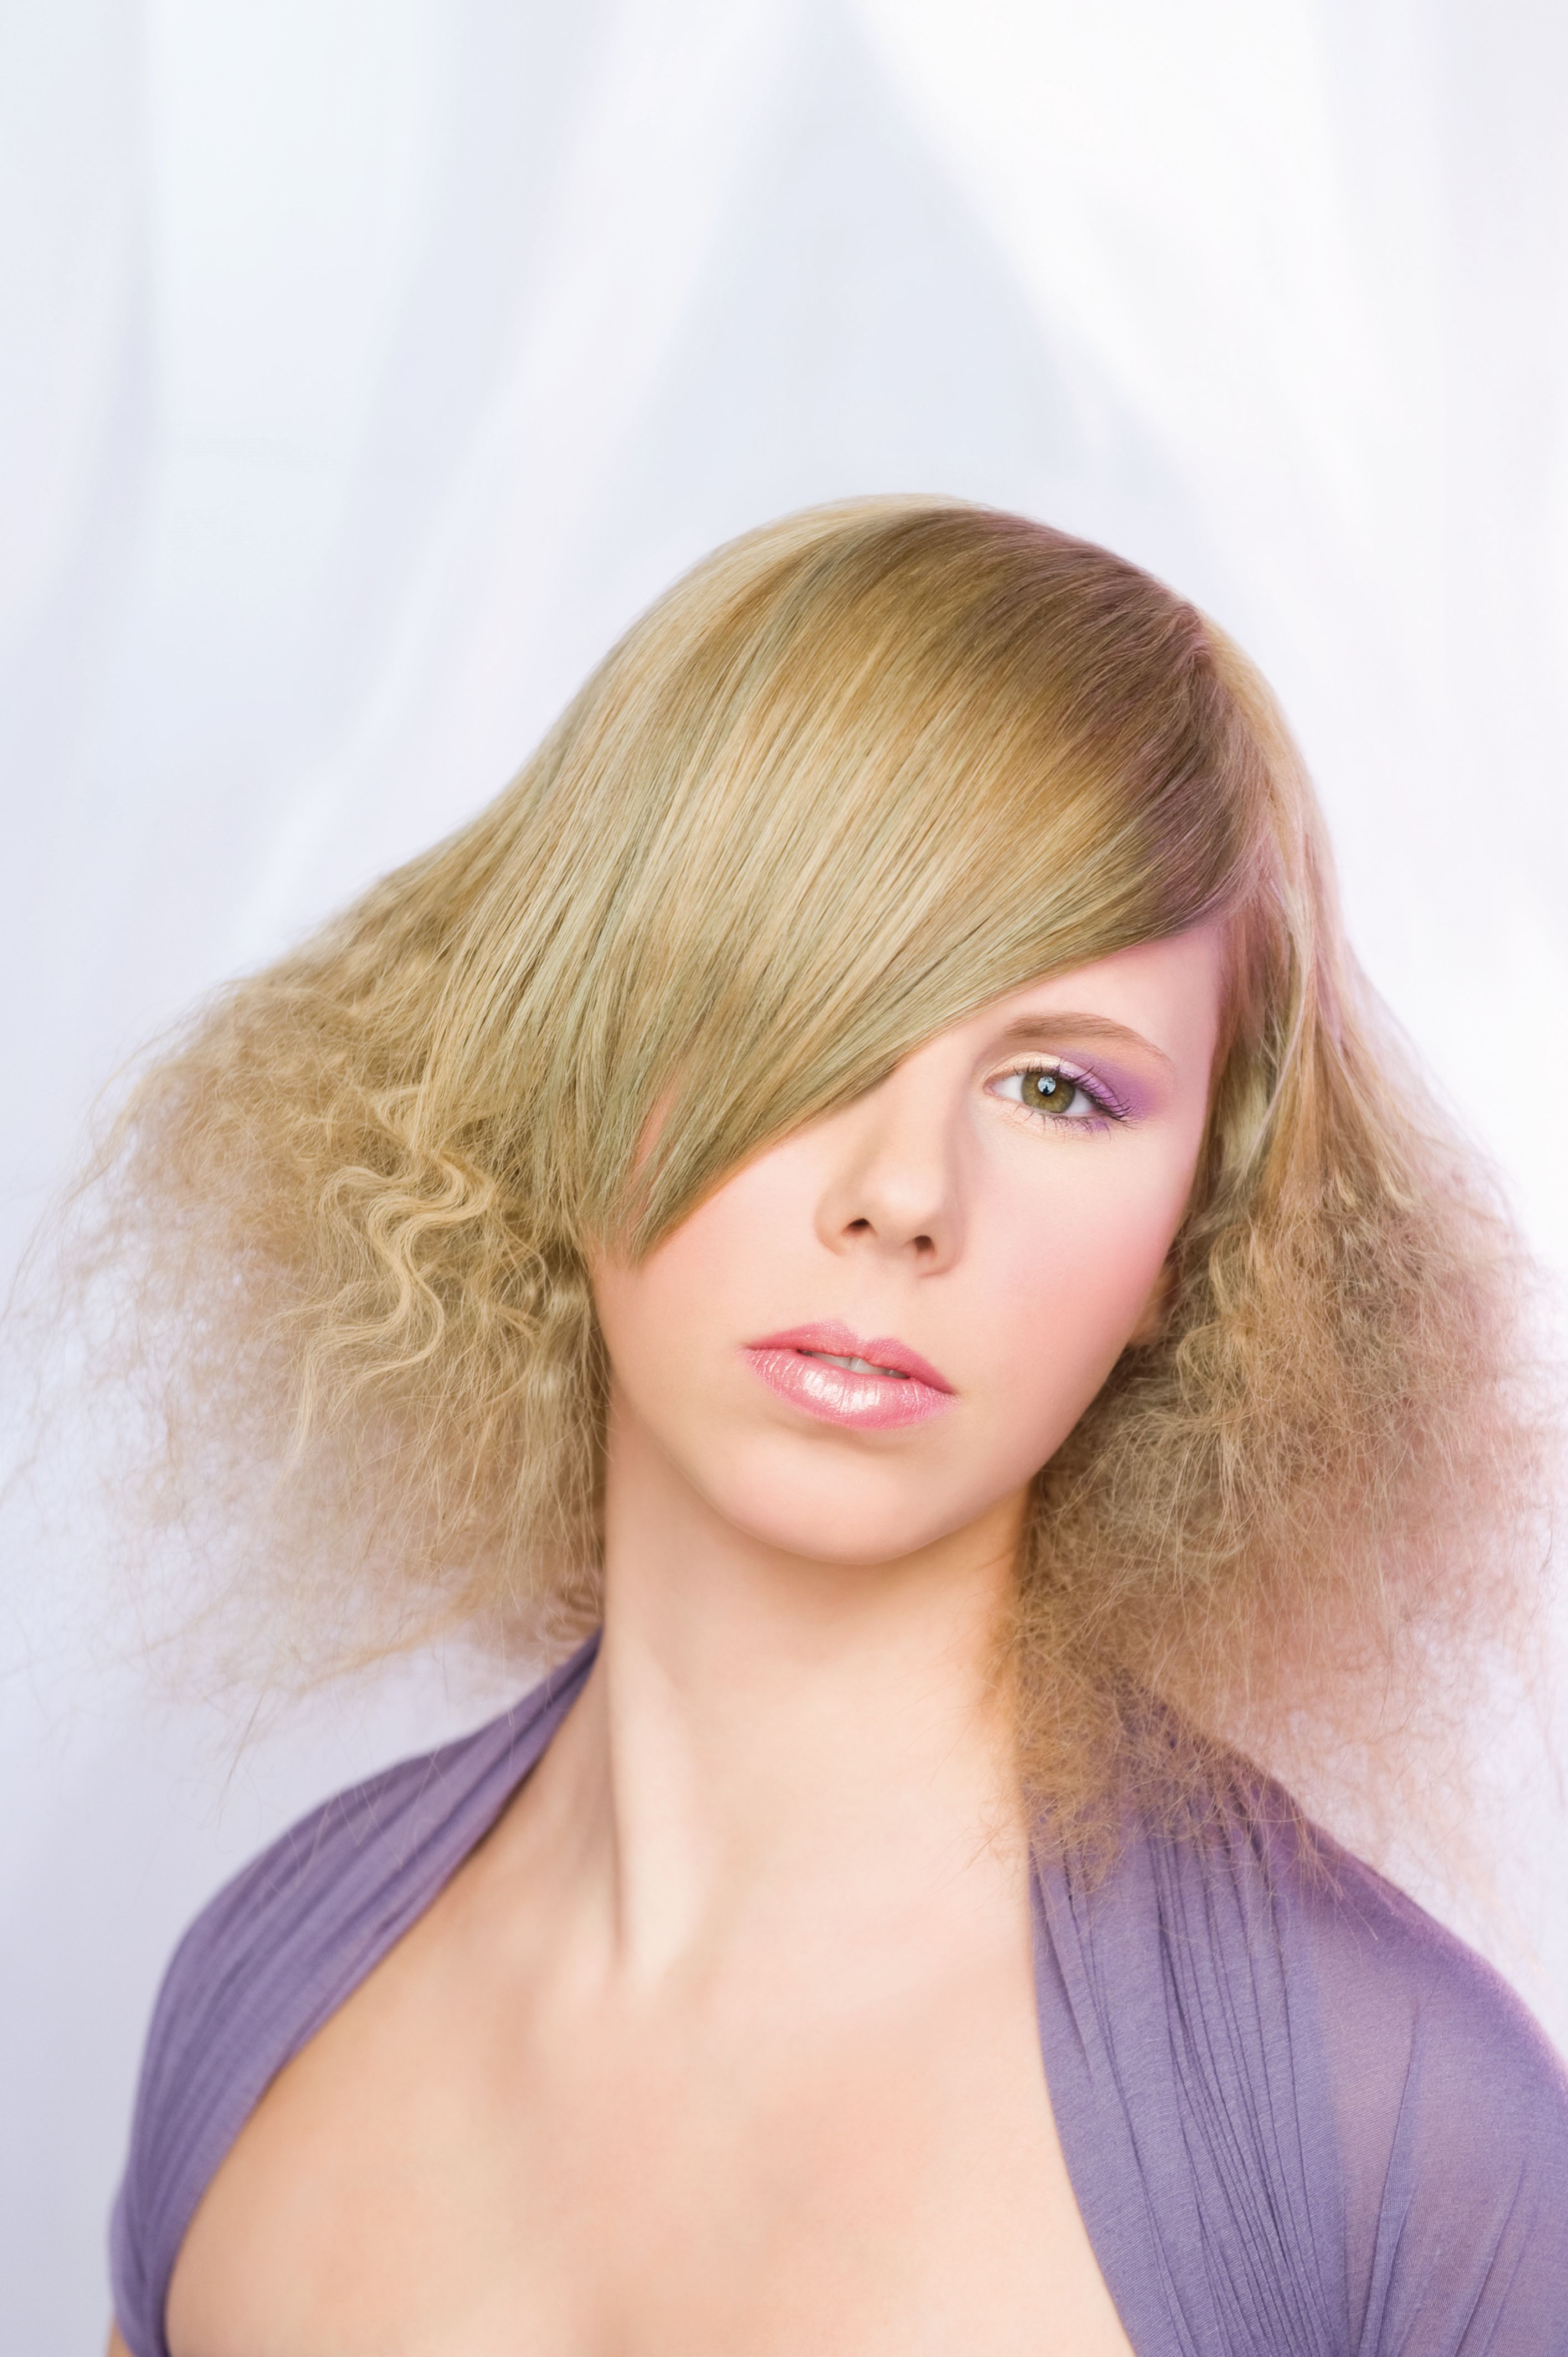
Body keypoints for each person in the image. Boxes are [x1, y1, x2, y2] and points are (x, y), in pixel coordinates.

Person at [102, 499, 1567, 2356]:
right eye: (794, 1014)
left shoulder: (1401, 2141)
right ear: (556, 1063)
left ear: (1198, 1234)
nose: (903, 1195)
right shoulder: (264, 2005)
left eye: (1057, 1089)